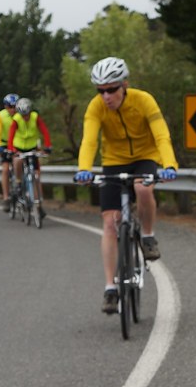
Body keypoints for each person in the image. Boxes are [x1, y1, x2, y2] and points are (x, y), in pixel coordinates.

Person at [74, 56, 177, 315]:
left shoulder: (144, 100)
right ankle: (110, 288)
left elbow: (161, 134)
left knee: (143, 188)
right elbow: (89, 141)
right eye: (100, 91)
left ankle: (148, 236)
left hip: (145, 157)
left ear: (125, 85)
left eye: (111, 90)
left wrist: (169, 164)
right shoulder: (95, 107)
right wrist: (84, 169)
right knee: (110, 223)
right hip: (114, 161)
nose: (106, 96)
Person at [6, 97, 52, 220]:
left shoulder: (35, 117)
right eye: (23, 115)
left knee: (36, 177)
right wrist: (11, 150)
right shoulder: (16, 120)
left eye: (27, 115)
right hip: (19, 148)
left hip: (32, 148)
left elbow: (45, 131)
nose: (25, 118)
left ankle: (38, 206)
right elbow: (10, 136)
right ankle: (19, 182)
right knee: (18, 161)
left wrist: (48, 146)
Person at [0, 93, 19, 211]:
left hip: (18, 143)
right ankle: (6, 197)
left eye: (15, 107)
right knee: (6, 169)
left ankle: (21, 185)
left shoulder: (22, 115)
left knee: (20, 162)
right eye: (10, 107)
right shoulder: (0, 116)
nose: (13, 110)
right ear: (5, 107)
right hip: (4, 143)